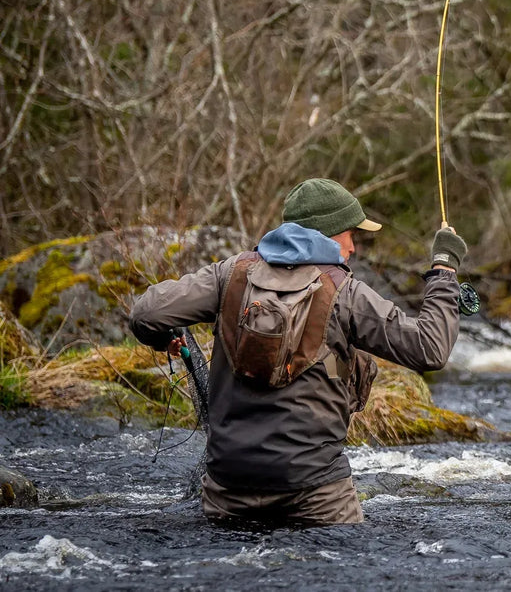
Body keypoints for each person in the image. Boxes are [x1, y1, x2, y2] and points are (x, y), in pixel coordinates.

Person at [129, 177, 466, 525]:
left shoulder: (229, 274)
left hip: (228, 488)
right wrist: (443, 270)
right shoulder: (346, 293)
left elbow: (145, 313)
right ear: (330, 233)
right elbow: (430, 348)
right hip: (316, 493)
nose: (354, 247)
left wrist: (164, 339)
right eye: (352, 234)